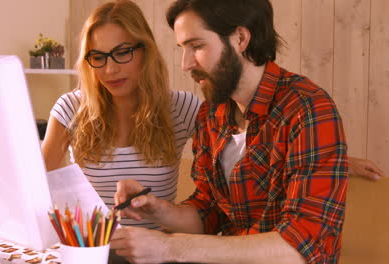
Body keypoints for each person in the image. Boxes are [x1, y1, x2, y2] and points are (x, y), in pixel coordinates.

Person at [111, 0, 356, 263]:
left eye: (197, 46)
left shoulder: (307, 108)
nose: (185, 64)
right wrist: (158, 210)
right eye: (183, 48)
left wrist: (171, 247)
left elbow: (300, 246)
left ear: (240, 38)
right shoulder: (211, 114)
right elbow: (209, 212)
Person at [41, 0, 201, 230]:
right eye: (98, 57)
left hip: (159, 253)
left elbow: (218, 191)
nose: (110, 69)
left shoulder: (182, 108)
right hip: (94, 252)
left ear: (146, 51)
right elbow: (36, 191)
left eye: (122, 52)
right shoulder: (70, 109)